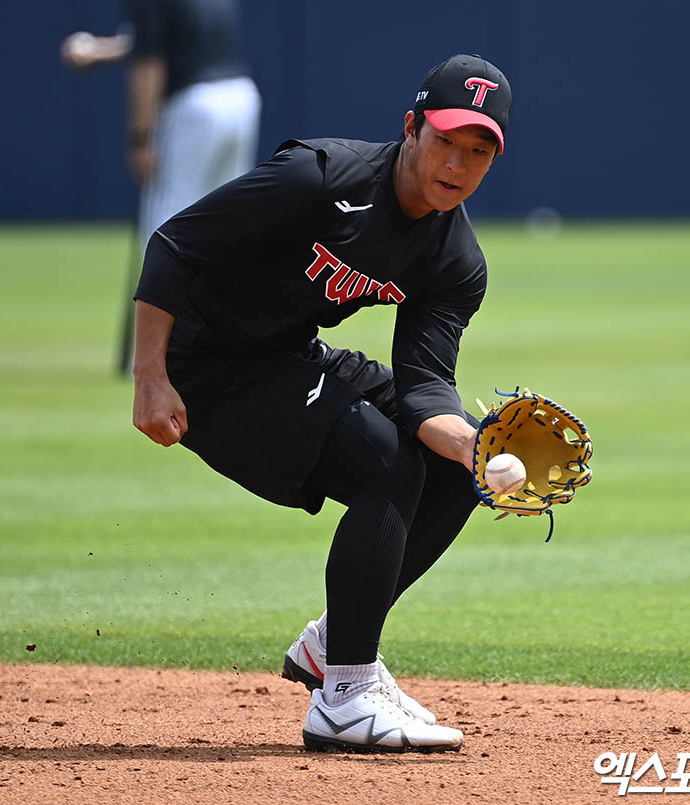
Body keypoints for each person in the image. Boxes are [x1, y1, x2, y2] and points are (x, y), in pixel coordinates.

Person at [130, 53, 512, 753]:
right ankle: (345, 697)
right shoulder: (322, 176)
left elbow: (425, 384)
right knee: (387, 461)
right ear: (411, 129)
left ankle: (335, 648)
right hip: (205, 365)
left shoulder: (455, 261)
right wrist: (150, 373)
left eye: (478, 150)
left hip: (283, 355)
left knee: (453, 467)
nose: (458, 163)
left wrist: (472, 446)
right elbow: (176, 242)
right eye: (446, 140)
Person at [61, 0, 262, 252]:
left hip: (195, 105)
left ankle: (158, 292)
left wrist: (140, 138)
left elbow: (149, 61)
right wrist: (102, 50)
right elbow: (177, 35)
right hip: (240, 98)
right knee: (224, 225)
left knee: (168, 228)